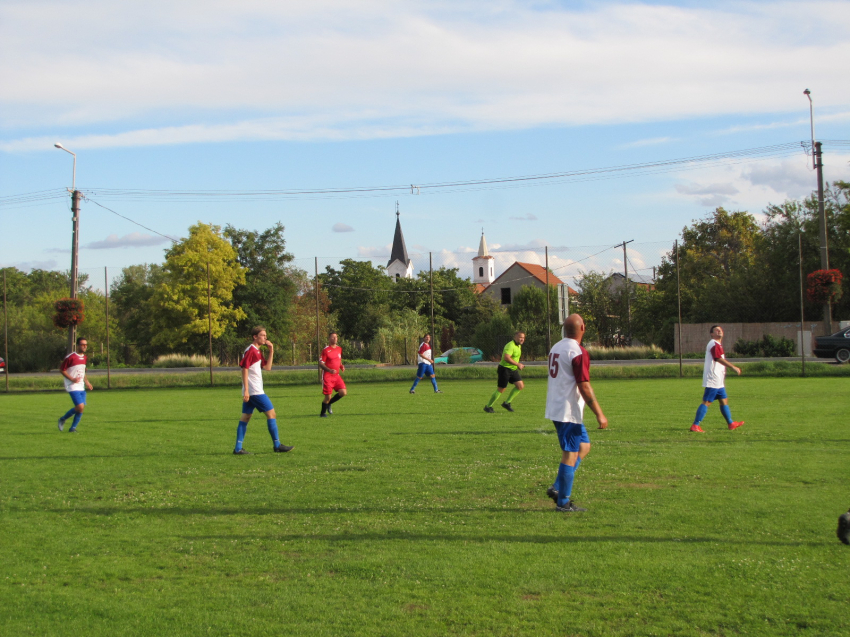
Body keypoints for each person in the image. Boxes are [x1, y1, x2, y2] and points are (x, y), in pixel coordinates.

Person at [544, 314, 608, 512]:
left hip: (558, 407)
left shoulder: (556, 347)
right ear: (583, 328)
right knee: (569, 454)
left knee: (584, 446)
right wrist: (599, 413)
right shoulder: (577, 352)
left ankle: (557, 486)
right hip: (567, 411)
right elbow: (584, 386)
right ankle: (563, 502)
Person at [234, 326, 293, 454]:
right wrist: (246, 391)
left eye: (265, 335)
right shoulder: (251, 351)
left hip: (253, 390)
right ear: (255, 337)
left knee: (246, 417)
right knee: (271, 414)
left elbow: (267, 367)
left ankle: (238, 448)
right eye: (262, 335)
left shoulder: (258, 351)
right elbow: (244, 369)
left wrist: (271, 351)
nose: (265, 337)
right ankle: (277, 445)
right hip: (255, 391)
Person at [690, 325, 744, 433]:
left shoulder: (717, 344)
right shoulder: (714, 344)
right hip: (713, 379)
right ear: (712, 334)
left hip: (718, 380)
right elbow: (717, 358)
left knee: (724, 401)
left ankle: (731, 423)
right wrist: (733, 367)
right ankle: (695, 425)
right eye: (716, 330)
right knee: (707, 402)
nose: (719, 331)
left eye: (720, 330)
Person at [57, 337, 94, 433]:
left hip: (81, 385)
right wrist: (72, 379)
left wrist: (87, 382)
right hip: (72, 385)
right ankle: (63, 419)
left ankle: (72, 428)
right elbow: (62, 369)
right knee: (80, 406)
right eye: (82, 344)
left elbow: (82, 371)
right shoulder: (71, 357)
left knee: (80, 408)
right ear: (77, 345)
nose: (85, 346)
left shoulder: (85, 357)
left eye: (86, 344)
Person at [483, 331, 525, 413]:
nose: (522, 339)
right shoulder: (510, 345)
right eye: (520, 337)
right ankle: (488, 406)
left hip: (513, 369)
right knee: (501, 389)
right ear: (515, 337)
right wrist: (518, 364)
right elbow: (506, 358)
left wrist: (517, 365)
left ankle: (507, 403)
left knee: (520, 386)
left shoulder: (519, 346)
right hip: (504, 369)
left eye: (523, 338)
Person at [319, 331, 346, 417]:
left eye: (336, 337)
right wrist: (329, 370)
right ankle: (322, 413)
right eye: (333, 337)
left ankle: (328, 404)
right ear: (329, 339)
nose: (335, 339)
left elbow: (338, 359)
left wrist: (341, 366)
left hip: (336, 376)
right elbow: (321, 363)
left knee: (343, 392)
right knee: (328, 397)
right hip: (328, 376)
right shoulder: (326, 350)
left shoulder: (339, 349)